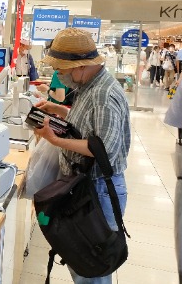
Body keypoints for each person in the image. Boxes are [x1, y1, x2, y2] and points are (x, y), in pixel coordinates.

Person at [32, 28, 130, 284]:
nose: (59, 76)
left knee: (92, 267)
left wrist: (56, 140)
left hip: (98, 191)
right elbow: (87, 126)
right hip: (84, 186)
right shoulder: (89, 86)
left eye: (62, 70)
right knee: (81, 262)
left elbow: (103, 149)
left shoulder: (103, 95)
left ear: (80, 67)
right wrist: (59, 111)